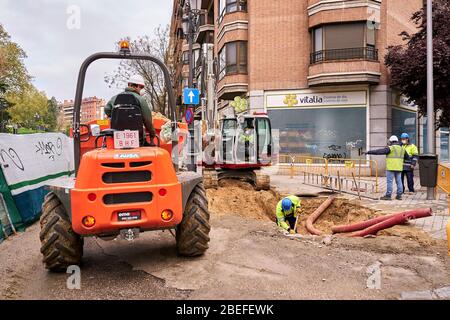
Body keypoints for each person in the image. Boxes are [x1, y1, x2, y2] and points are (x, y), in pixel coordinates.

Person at [104, 75, 156, 140]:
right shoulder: (141, 100)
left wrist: (115, 114)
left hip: (117, 135)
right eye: (141, 87)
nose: (141, 89)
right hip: (138, 136)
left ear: (129, 84)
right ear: (138, 86)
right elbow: (147, 119)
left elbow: (107, 109)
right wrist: (152, 133)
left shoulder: (115, 98)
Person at [365, 135, 410, 200]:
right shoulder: (402, 149)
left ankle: (388, 196)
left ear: (391, 141)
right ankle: (399, 195)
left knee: (390, 182)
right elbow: (407, 158)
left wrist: (368, 152)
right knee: (399, 181)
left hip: (391, 167)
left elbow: (379, 152)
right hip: (399, 168)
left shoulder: (390, 148)